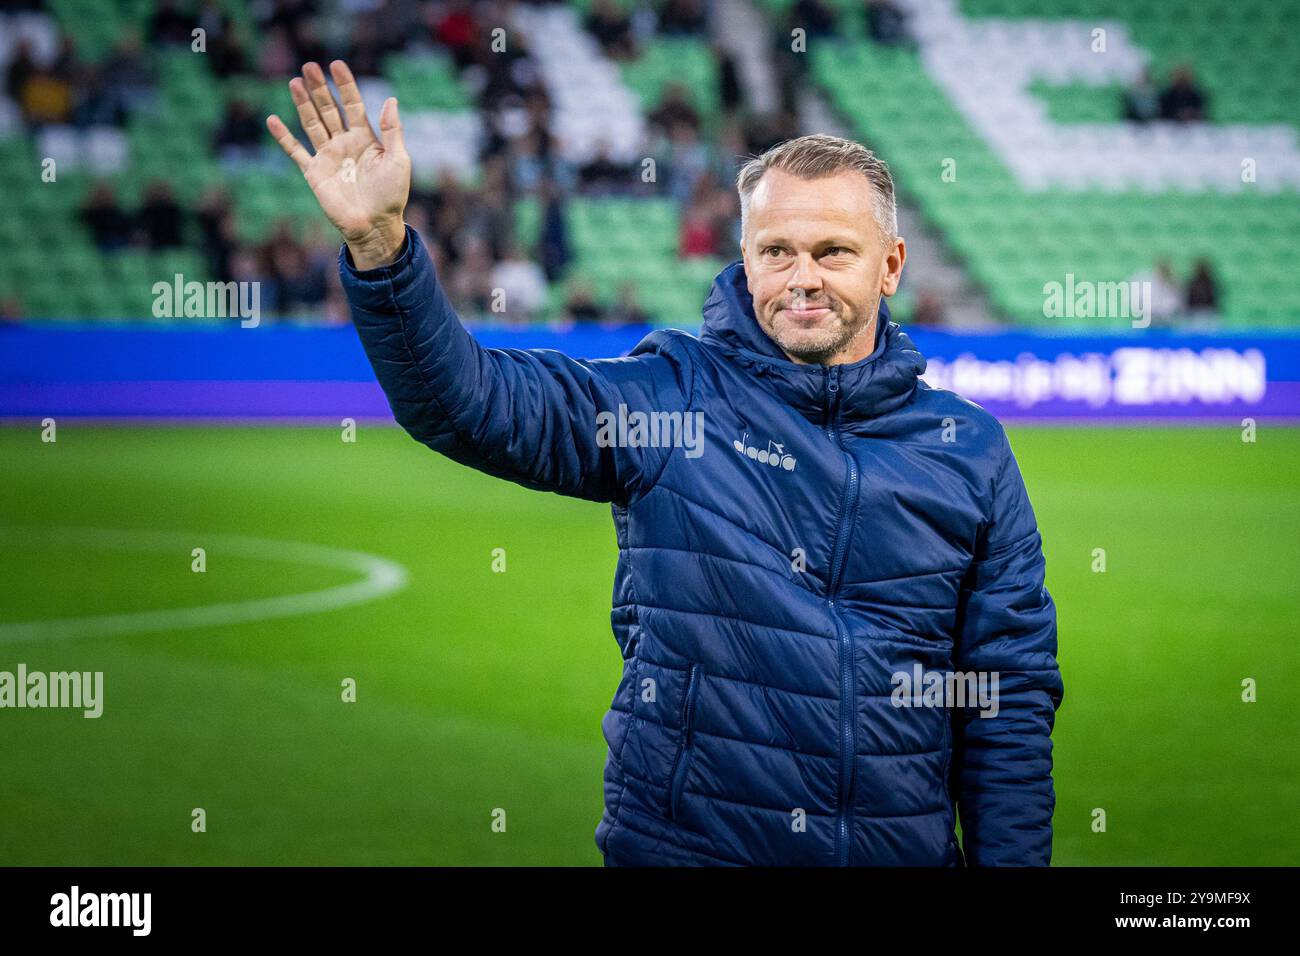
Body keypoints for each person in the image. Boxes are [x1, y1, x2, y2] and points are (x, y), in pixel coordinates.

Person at [267, 61, 1064, 867]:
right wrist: (380, 247)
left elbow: (1008, 702)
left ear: (890, 266)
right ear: (746, 261)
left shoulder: (971, 451)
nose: (802, 279)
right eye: (776, 251)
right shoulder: (669, 400)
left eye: (833, 252)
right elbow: (469, 403)